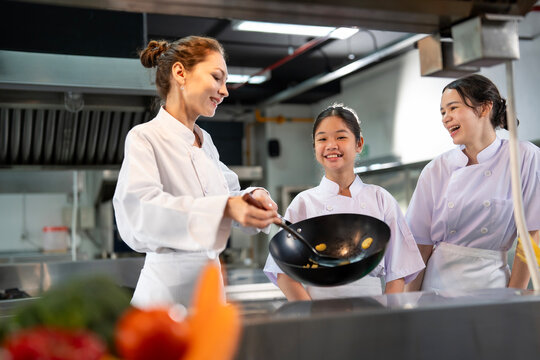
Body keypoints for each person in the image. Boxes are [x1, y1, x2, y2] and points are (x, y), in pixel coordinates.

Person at [113, 36, 278, 308]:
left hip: (209, 292)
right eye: (217, 77)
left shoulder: (206, 142)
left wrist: (252, 197)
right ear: (180, 73)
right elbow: (139, 213)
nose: (225, 91)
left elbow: (228, 194)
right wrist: (227, 207)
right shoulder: (145, 137)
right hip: (164, 300)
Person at [263, 104, 425, 300]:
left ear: (359, 144)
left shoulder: (381, 199)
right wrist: (310, 313)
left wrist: (387, 312)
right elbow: (283, 272)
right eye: (322, 139)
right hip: (317, 307)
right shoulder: (304, 203)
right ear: (315, 147)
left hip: (372, 307)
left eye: (341, 137)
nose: (331, 145)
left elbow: (398, 270)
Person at [405, 74, 540, 292]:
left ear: (485, 107)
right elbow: (420, 246)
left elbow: (532, 237)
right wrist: (408, 306)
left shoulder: (523, 156)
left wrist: (515, 295)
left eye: (453, 108)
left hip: (492, 286)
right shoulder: (436, 169)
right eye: (442, 112)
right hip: (437, 287)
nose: (445, 118)